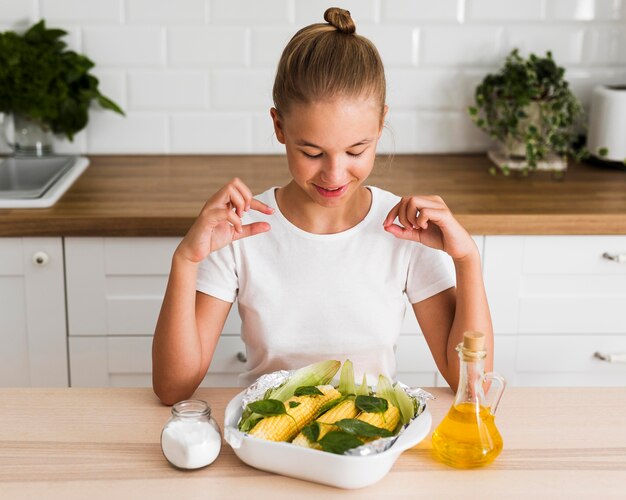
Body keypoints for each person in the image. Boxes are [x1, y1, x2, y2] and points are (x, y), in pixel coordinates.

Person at [152, 7, 493, 405]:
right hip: (268, 439)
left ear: (381, 125)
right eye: (312, 152)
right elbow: (172, 388)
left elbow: (473, 386)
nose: (334, 174)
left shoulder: (406, 230)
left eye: (355, 150)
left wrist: (467, 258)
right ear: (279, 127)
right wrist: (184, 261)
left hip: (369, 443)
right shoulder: (240, 230)